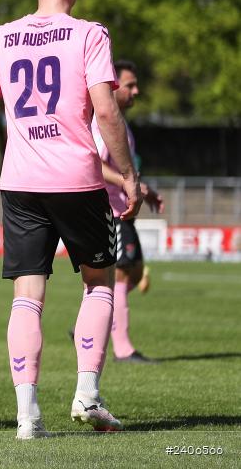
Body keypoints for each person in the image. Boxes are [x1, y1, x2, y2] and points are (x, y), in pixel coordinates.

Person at [0, 0, 141, 439]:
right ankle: (87, 395)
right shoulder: (89, 34)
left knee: (27, 296)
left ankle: (27, 417)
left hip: (20, 182)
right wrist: (127, 174)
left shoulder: (2, 36)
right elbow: (106, 111)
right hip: (77, 179)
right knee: (99, 282)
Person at [91, 60, 164, 363]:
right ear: (113, 86)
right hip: (108, 211)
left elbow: (125, 171)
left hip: (123, 209)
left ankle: (95, 321)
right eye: (130, 85)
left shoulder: (122, 124)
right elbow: (94, 161)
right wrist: (126, 182)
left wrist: (142, 189)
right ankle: (122, 349)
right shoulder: (102, 121)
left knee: (132, 272)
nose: (137, 90)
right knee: (121, 275)